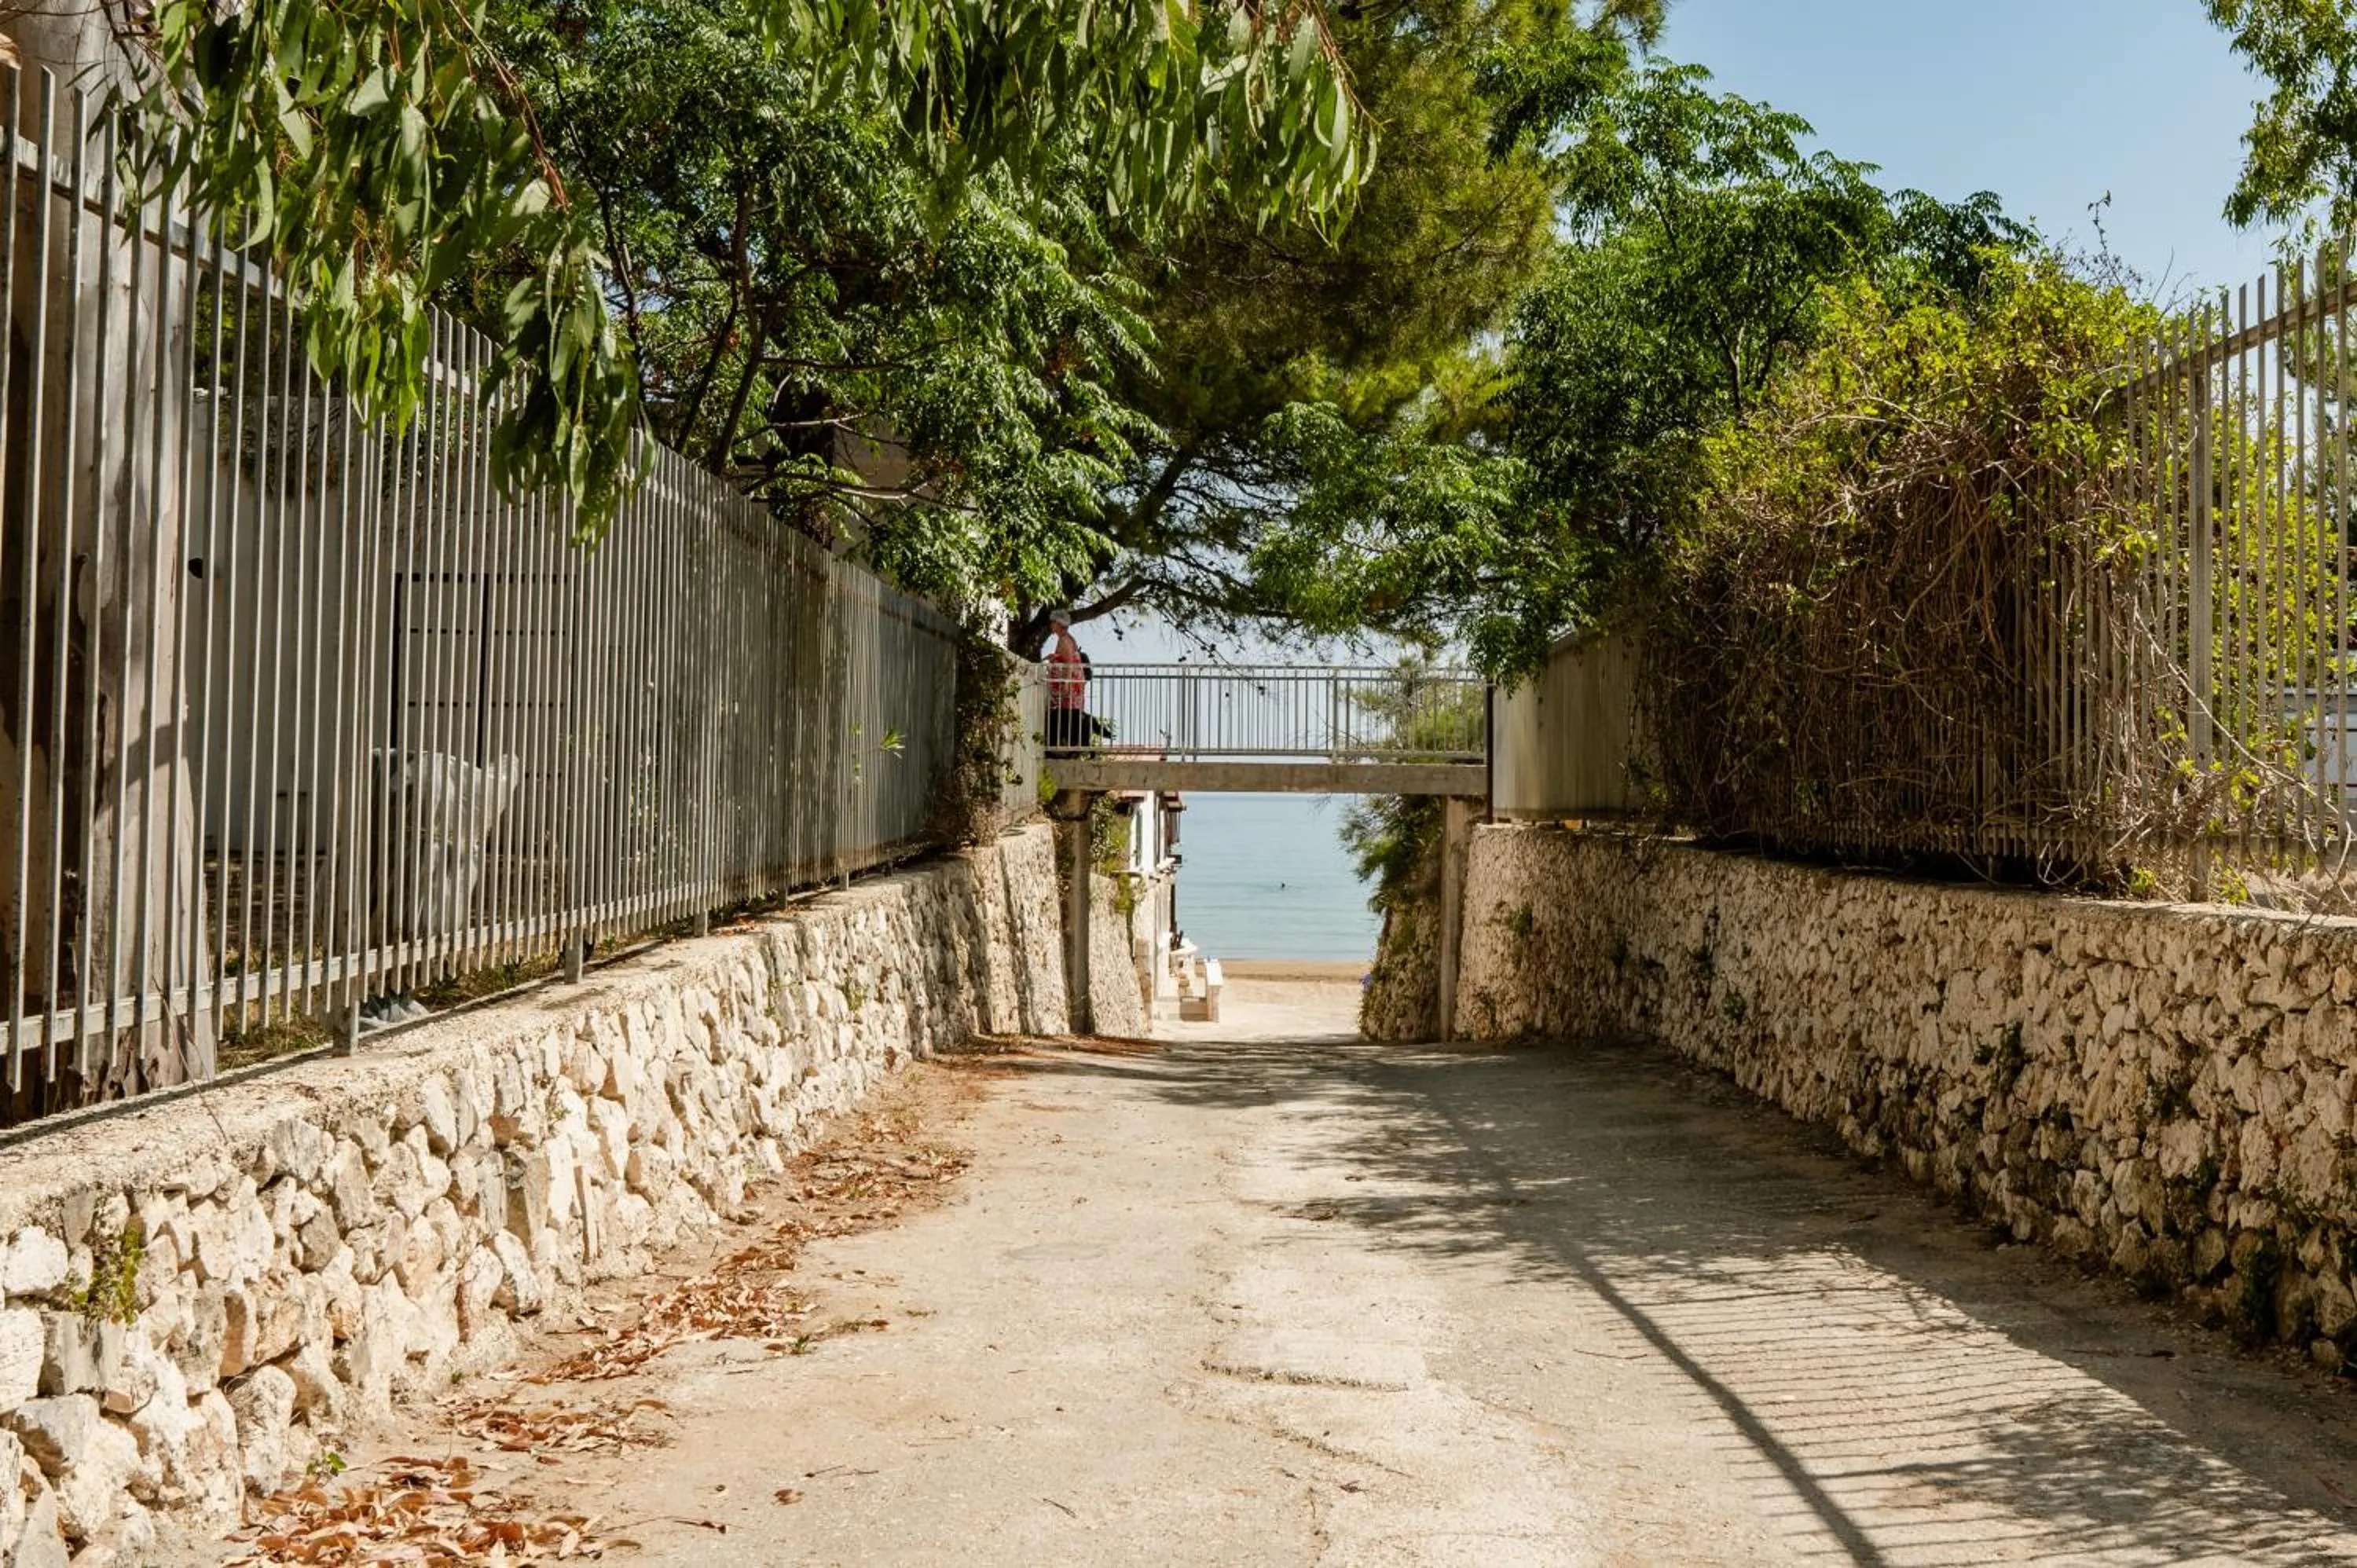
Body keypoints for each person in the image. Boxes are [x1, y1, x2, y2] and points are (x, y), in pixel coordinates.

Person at [1044, 607, 1102, 749]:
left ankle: (1070, 744)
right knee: (1069, 713)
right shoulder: (1066, 639)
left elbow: (1069, 662)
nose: (1051, 625)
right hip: (1071, 682)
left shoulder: (1064, 640)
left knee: (1068, 714)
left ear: (1058, 623)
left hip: (1069, 684)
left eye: (1052, 622)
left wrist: (1066, 682)